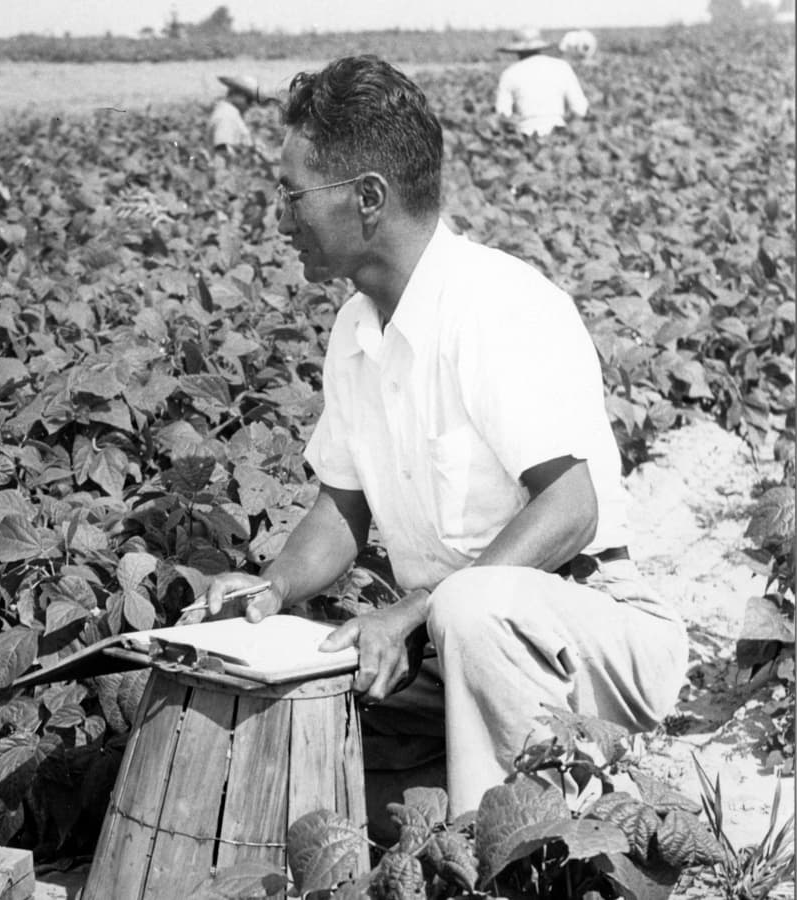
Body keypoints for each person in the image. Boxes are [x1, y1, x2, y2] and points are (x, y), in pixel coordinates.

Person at [184, 55, 687, 819]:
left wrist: (417, 610)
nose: (280, 220)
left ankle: (548, 839)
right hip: (451, 646)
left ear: (369, 198)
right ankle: (467, 812)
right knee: (310, 737)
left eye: (292, 196)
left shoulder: (495, 307)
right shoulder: (355, 329)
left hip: (582, 630)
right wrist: (275, 585)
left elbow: (573, 506)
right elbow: (342, 507)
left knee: (470, 610)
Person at [494, 28, 590, 137]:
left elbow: (502, 115)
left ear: (516, 50)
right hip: (559, 136)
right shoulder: (561, 67)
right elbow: (580, 109)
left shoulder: (509, 74)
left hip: (526, 138)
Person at [209, 74, 266, 160]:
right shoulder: (226, 115)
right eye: (249, 99)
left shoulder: (229, 113)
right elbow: (223, 151)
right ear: (236, 93)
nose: (251, 104)